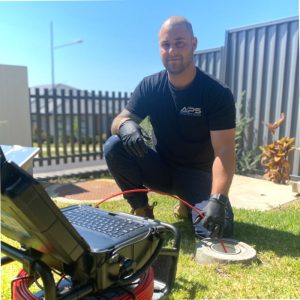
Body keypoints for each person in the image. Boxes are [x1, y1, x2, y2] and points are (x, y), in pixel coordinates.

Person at [104, 16, 236, 239]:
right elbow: (119, 120)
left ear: (194, 44)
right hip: (161, 170)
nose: (172, 50)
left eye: (179, 43)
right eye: (166, 44)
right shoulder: (150, 86)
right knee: (114, 145)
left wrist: (218, 199)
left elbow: (224, 152)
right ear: (159, 48)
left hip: (197, 176)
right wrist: (126, 126)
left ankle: (188, 204)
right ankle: (141, 210)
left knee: (216, 231)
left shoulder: (216, 93)